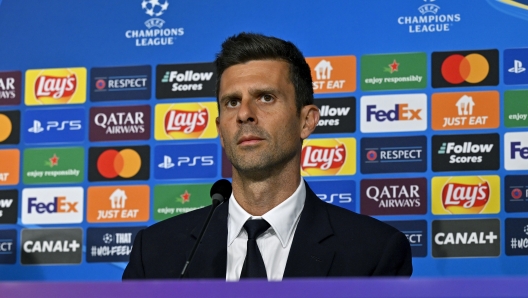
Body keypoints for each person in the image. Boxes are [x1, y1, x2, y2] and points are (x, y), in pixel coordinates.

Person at [122, 33, 412, 280]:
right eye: (232, 102)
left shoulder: (374, 252)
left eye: (265, 97)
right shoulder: (156, 252)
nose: (245, 114)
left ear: (306, 121)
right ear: (220, 131)